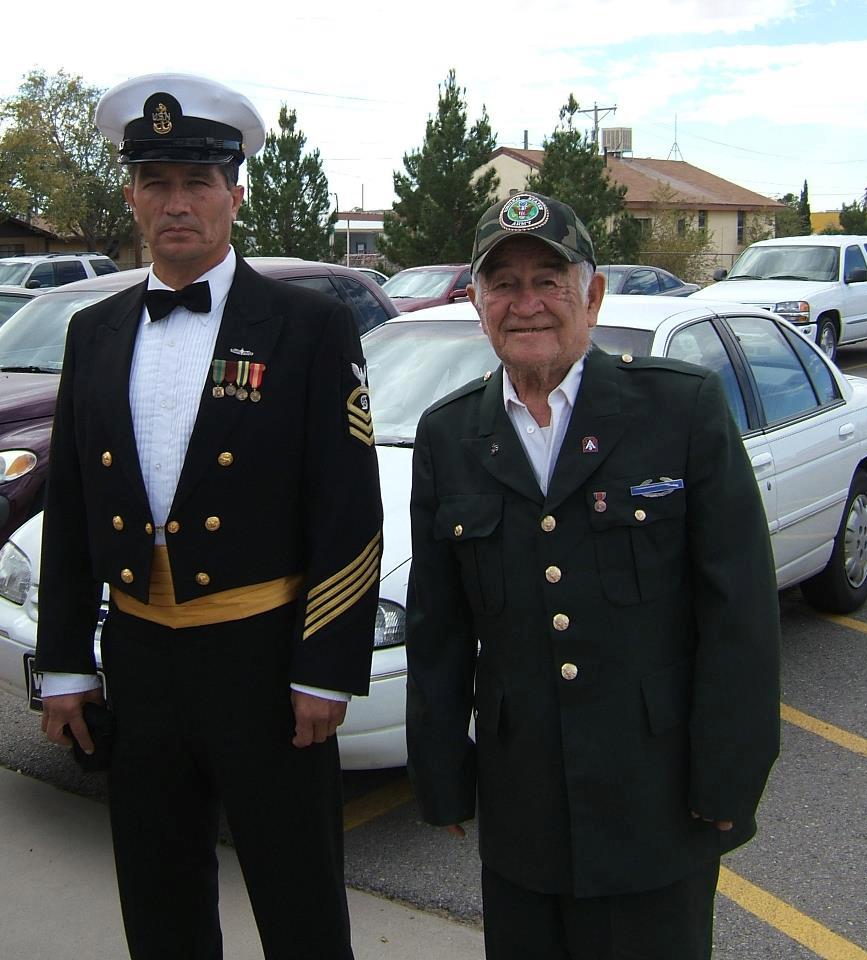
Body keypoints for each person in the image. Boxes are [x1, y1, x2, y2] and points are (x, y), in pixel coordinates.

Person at [35, 73, 382, 960]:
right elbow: (71, 507)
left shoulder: (307, 325)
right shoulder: (96, 330)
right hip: (141, 658)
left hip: (264, 662)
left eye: (197, 183)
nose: (177, 204)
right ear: (132, 198)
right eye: (157, 184)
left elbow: (347, 508)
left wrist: (327, 669)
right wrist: (67, 661)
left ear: (235, 192)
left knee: (299, 904)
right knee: (159, 905)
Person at [404, 192, 780, 960]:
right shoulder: (449, 437)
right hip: (522, 808)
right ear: (477, 303)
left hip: (656, 798)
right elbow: (438, 627)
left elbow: (737, 616)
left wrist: (728, 781)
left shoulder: (679, 411)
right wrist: (442, 772)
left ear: (593, 294)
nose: (527, 303)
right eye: (502, 283)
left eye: (550, 279)